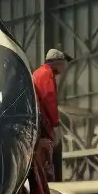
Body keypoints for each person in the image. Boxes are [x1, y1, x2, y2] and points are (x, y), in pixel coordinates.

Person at [32, 48, 72, 181]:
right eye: (64, 63)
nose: (65, 67)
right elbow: (49, 99)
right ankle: (55, 184)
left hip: (38, 119)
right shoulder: (46, 74)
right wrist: (55, 122)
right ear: (57, 63)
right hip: (43, 121)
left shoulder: (39, 72)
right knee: (55, 148)